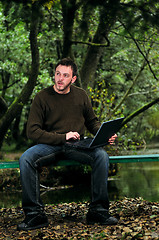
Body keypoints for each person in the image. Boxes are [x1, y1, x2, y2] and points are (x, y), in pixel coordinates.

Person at [17, 57, 118, 231]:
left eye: (65, 75)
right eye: (57, 74)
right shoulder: (42, 97)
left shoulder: (81, 95)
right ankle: (35, 215)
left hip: (77, 146)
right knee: (26, 158)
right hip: (50, 145)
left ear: (73, 79)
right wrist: (63, 137)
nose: (60, 79)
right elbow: (32, 131)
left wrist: (105, 133)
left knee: (101, 155)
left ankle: (97, 211)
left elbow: (92, 122)